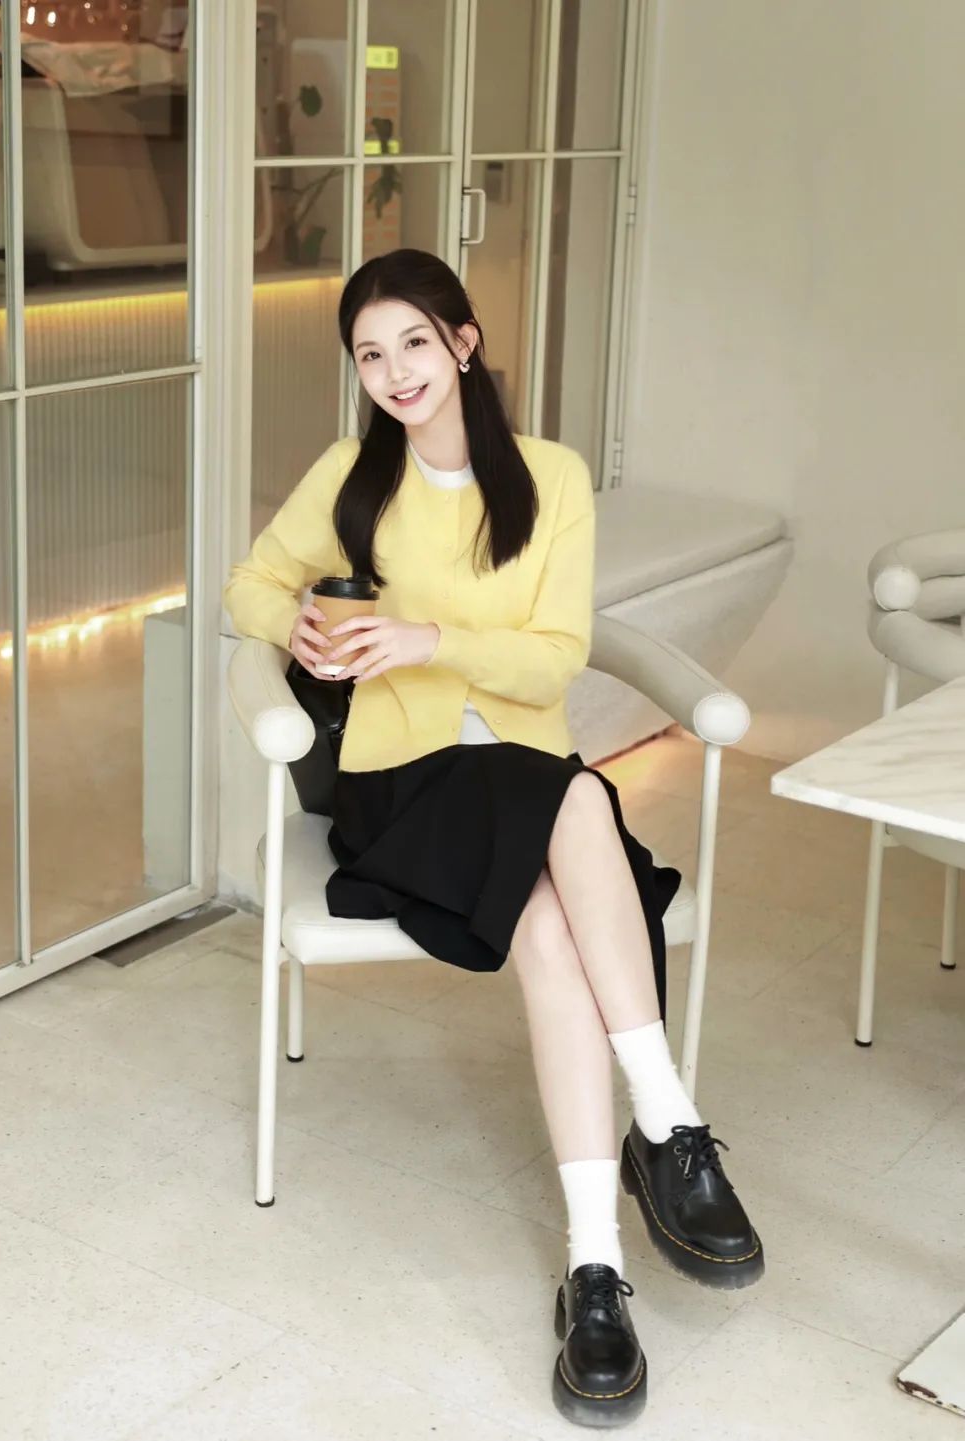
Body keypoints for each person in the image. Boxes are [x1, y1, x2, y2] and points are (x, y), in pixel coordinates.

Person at [224, 249, 763, 1429]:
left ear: (464, 343)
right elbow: (247, 586)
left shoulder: (551, 479)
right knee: (577, 805)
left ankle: (593, 1268)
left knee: (557, 917)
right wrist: (300, 622)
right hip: (399, 786)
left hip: (523, 771)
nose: (395, 372)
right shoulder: (350, 475)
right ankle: (669, 1123)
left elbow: (553, 661)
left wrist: (432, 640)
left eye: (415, 342)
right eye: (371, 354)